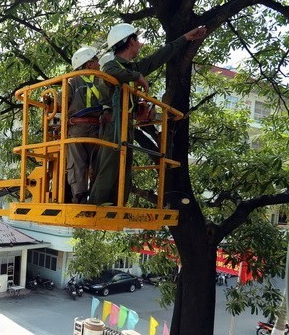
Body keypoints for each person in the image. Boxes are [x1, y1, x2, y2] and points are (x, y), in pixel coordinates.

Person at [87, 23, 207, 206]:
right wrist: (137, 77)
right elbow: (110, 72)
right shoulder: (112, 65)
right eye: (137, 39)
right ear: (130, 41)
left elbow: (158, 57)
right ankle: (95, 204)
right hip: (113, 123)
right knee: (109, 164)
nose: (140, 44)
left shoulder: (130, 66)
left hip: (124, 122)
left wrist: (186, 37)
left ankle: (116, 203)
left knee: (124, 165)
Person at [65, 46, 111, 204]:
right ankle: (97, 196)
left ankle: (79, 196)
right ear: (89, 64)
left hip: (77, 128)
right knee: (97, 163)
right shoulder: (103, 80)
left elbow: (61, 102)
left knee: (77, 163)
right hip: (98, 128)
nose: (99, 64)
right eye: (96, 61)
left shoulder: (71, 81)